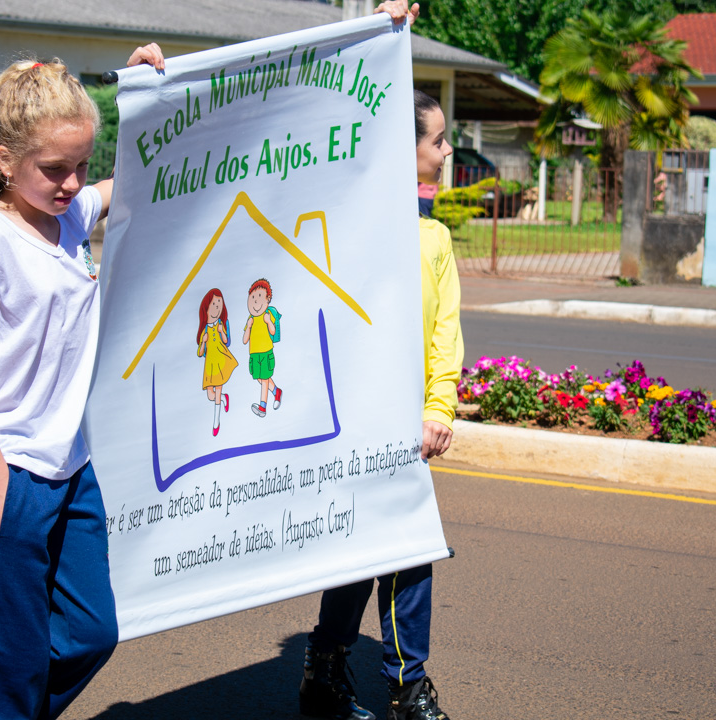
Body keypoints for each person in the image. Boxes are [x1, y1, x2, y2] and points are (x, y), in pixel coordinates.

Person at [0, 46, 164, 720]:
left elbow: (134, 177)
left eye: (81, 166)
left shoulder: (70, 218)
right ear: (5, 161)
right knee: (16, 653)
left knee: (91, 633)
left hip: (70, 465)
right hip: (7, 471)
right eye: (54, 169)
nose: (70, 182)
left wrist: (142, 85)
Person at [297, 84, 463, 720]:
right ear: (405, 148)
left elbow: (444, 335)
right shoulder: (347, 229)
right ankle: (351, 674)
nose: (447, 151)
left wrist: (438, 409)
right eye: (437, 140)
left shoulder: (436, 241)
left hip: (408, 426)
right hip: (352, 425)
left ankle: (381, 680)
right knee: (367, 550)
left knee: (401, 550)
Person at [197, 288, 237, 436]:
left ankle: (216, 422)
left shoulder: (220, 324)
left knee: (217, 393)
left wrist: (221, 331)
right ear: (206, 308)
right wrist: (203, 342)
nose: (217, 308)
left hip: (221, 361)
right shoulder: (205, 330)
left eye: (219, 304)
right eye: (214, 304)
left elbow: (226, 342)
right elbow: (200, 353)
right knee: (210, 395)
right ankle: (224, 398)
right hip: (209, 365)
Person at [242, 278, 282, 417]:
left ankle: (262, 407)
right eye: (252, 297)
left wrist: (267, 321)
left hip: (266, 353)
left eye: (259, 296)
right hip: (254, 355)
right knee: (260, 378)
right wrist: (249, 326)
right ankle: (277, 392)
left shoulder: (267, 314)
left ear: (268, 298)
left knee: (264, 380)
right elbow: (245, 340)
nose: (255, 301)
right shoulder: (250, 318)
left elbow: (272, 331)